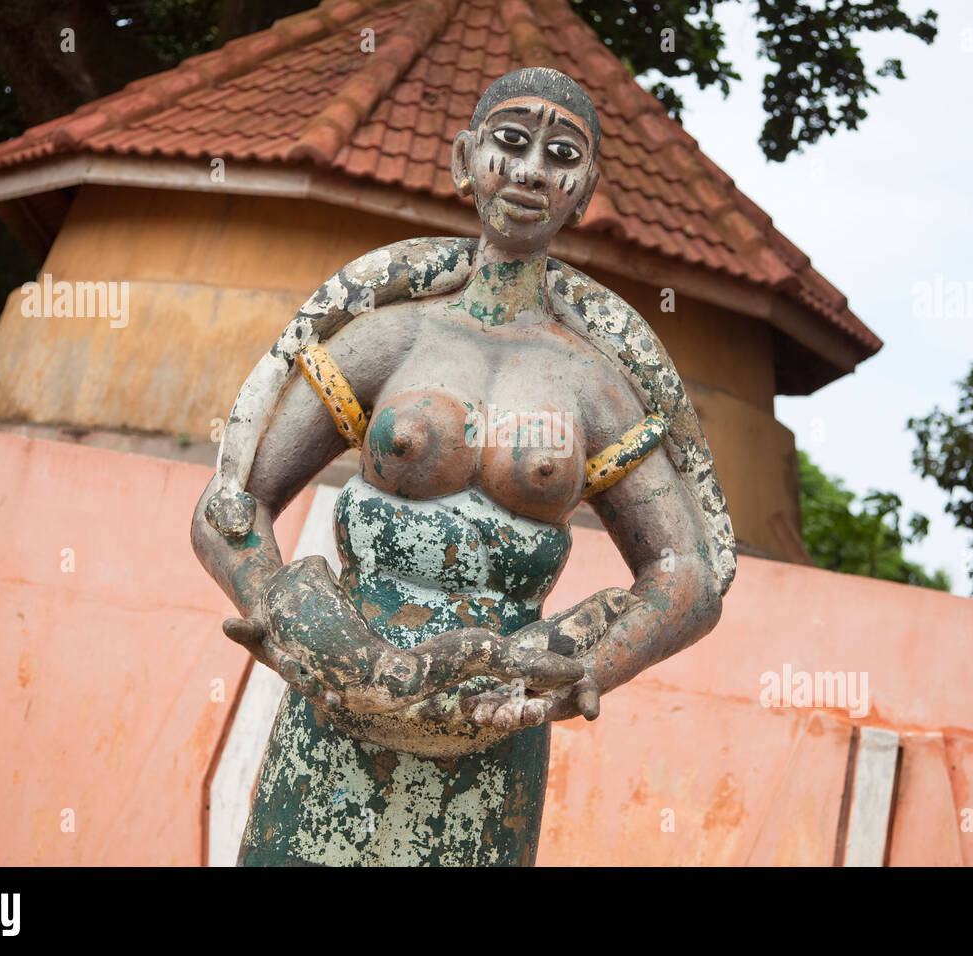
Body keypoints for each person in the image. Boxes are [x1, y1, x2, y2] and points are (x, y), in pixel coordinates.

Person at [192, 67, 735, 866]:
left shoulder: (596, 386)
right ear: (464, 159)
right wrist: (282, 614)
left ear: (584, 193)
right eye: (510, 143)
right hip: (336, 698)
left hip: (496, 726)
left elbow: (687, 572)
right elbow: (231, 507)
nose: (529, 170)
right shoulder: (389, 339)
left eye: (561, 156)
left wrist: (582, 666)